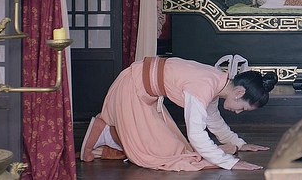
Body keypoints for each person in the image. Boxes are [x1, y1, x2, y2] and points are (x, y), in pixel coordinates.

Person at [79, 54, 278, 171]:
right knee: (163, 156)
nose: (238, 112)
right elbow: (196, 135)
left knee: (176, 149)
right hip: (131, 89)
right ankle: (105, 132)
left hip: (142, 93)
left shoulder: (217, 82)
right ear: (239, 92)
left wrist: (238, 143)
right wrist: (230, 163)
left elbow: (213, 120)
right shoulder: (205, 86)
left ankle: (111, 134)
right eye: (242, 107)